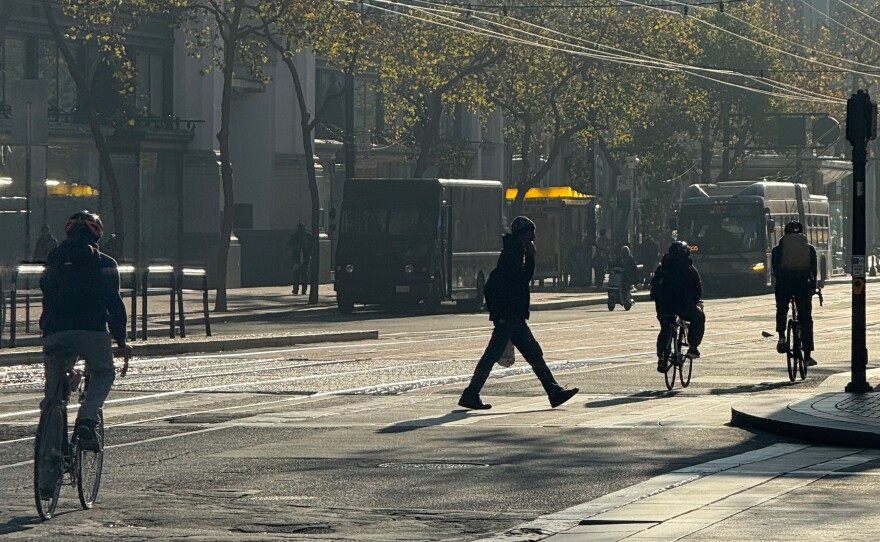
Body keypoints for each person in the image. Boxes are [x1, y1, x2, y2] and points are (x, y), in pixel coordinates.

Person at [458, 216, 579, 410]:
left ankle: (553, 391)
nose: (533, 239)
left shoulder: (514, 251)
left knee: (532, 354)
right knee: (497, 355)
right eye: (531, 235)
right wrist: (531, 258)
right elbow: (521, 280)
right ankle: (471, 393)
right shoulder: (513, 254)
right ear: (522, 235)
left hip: (512, 315)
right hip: (510, 315)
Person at [39, 211, 132, 454]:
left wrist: (46, 330)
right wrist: (122, 342)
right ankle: (87, 421)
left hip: (56, 331)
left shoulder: (54, 259)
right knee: (103, 372)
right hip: (93, 331)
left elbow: (47, 296)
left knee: (53, 388)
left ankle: (50, 431)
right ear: (97, 235)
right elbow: (115, 305)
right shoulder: (106, 263)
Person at [650, 241, 705, 372]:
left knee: (665, 328)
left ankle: (662, 357)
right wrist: (694, 302)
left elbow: (654, 287)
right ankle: (693, 347)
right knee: (699, 318)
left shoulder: (662, 268)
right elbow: (697, 288)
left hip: (664, 306)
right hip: (684, 306)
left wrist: (658, 301)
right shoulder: (689, 269)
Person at [772, 221, 818, 366]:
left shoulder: (778, 249)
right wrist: (813, 287)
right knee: (806, 318)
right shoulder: (809, 249)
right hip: (803, 285)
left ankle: (782, 337)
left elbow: (775, 269)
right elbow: (813, 270)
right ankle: (807, 356)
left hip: (784, 284)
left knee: (782, 309)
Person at [287, 223, 312, 295]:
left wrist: (308, 254)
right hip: (298, 258)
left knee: (301, 274)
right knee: (299, 274)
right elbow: (290, 245)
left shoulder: (307, 236)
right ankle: (298, 289)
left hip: (304, 257)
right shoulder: (296, 236)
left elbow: (311, 246)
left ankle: (300, 289)